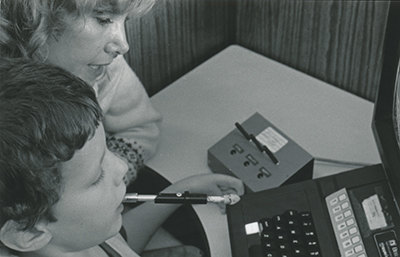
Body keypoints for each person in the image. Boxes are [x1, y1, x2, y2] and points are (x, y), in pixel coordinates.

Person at [0, 58, 244, 257]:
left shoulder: (76, 236)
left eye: (107, 150)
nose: (122, 165)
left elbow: (117, 242)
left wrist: (183, 191)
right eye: (96, 177)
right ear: (30, 234)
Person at [0, 0, 162, 186]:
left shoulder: (102, 67)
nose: (123, 45)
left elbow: (140, 129)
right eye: (104, 19)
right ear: (35, 16)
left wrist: (105, 185)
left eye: (125, 20)